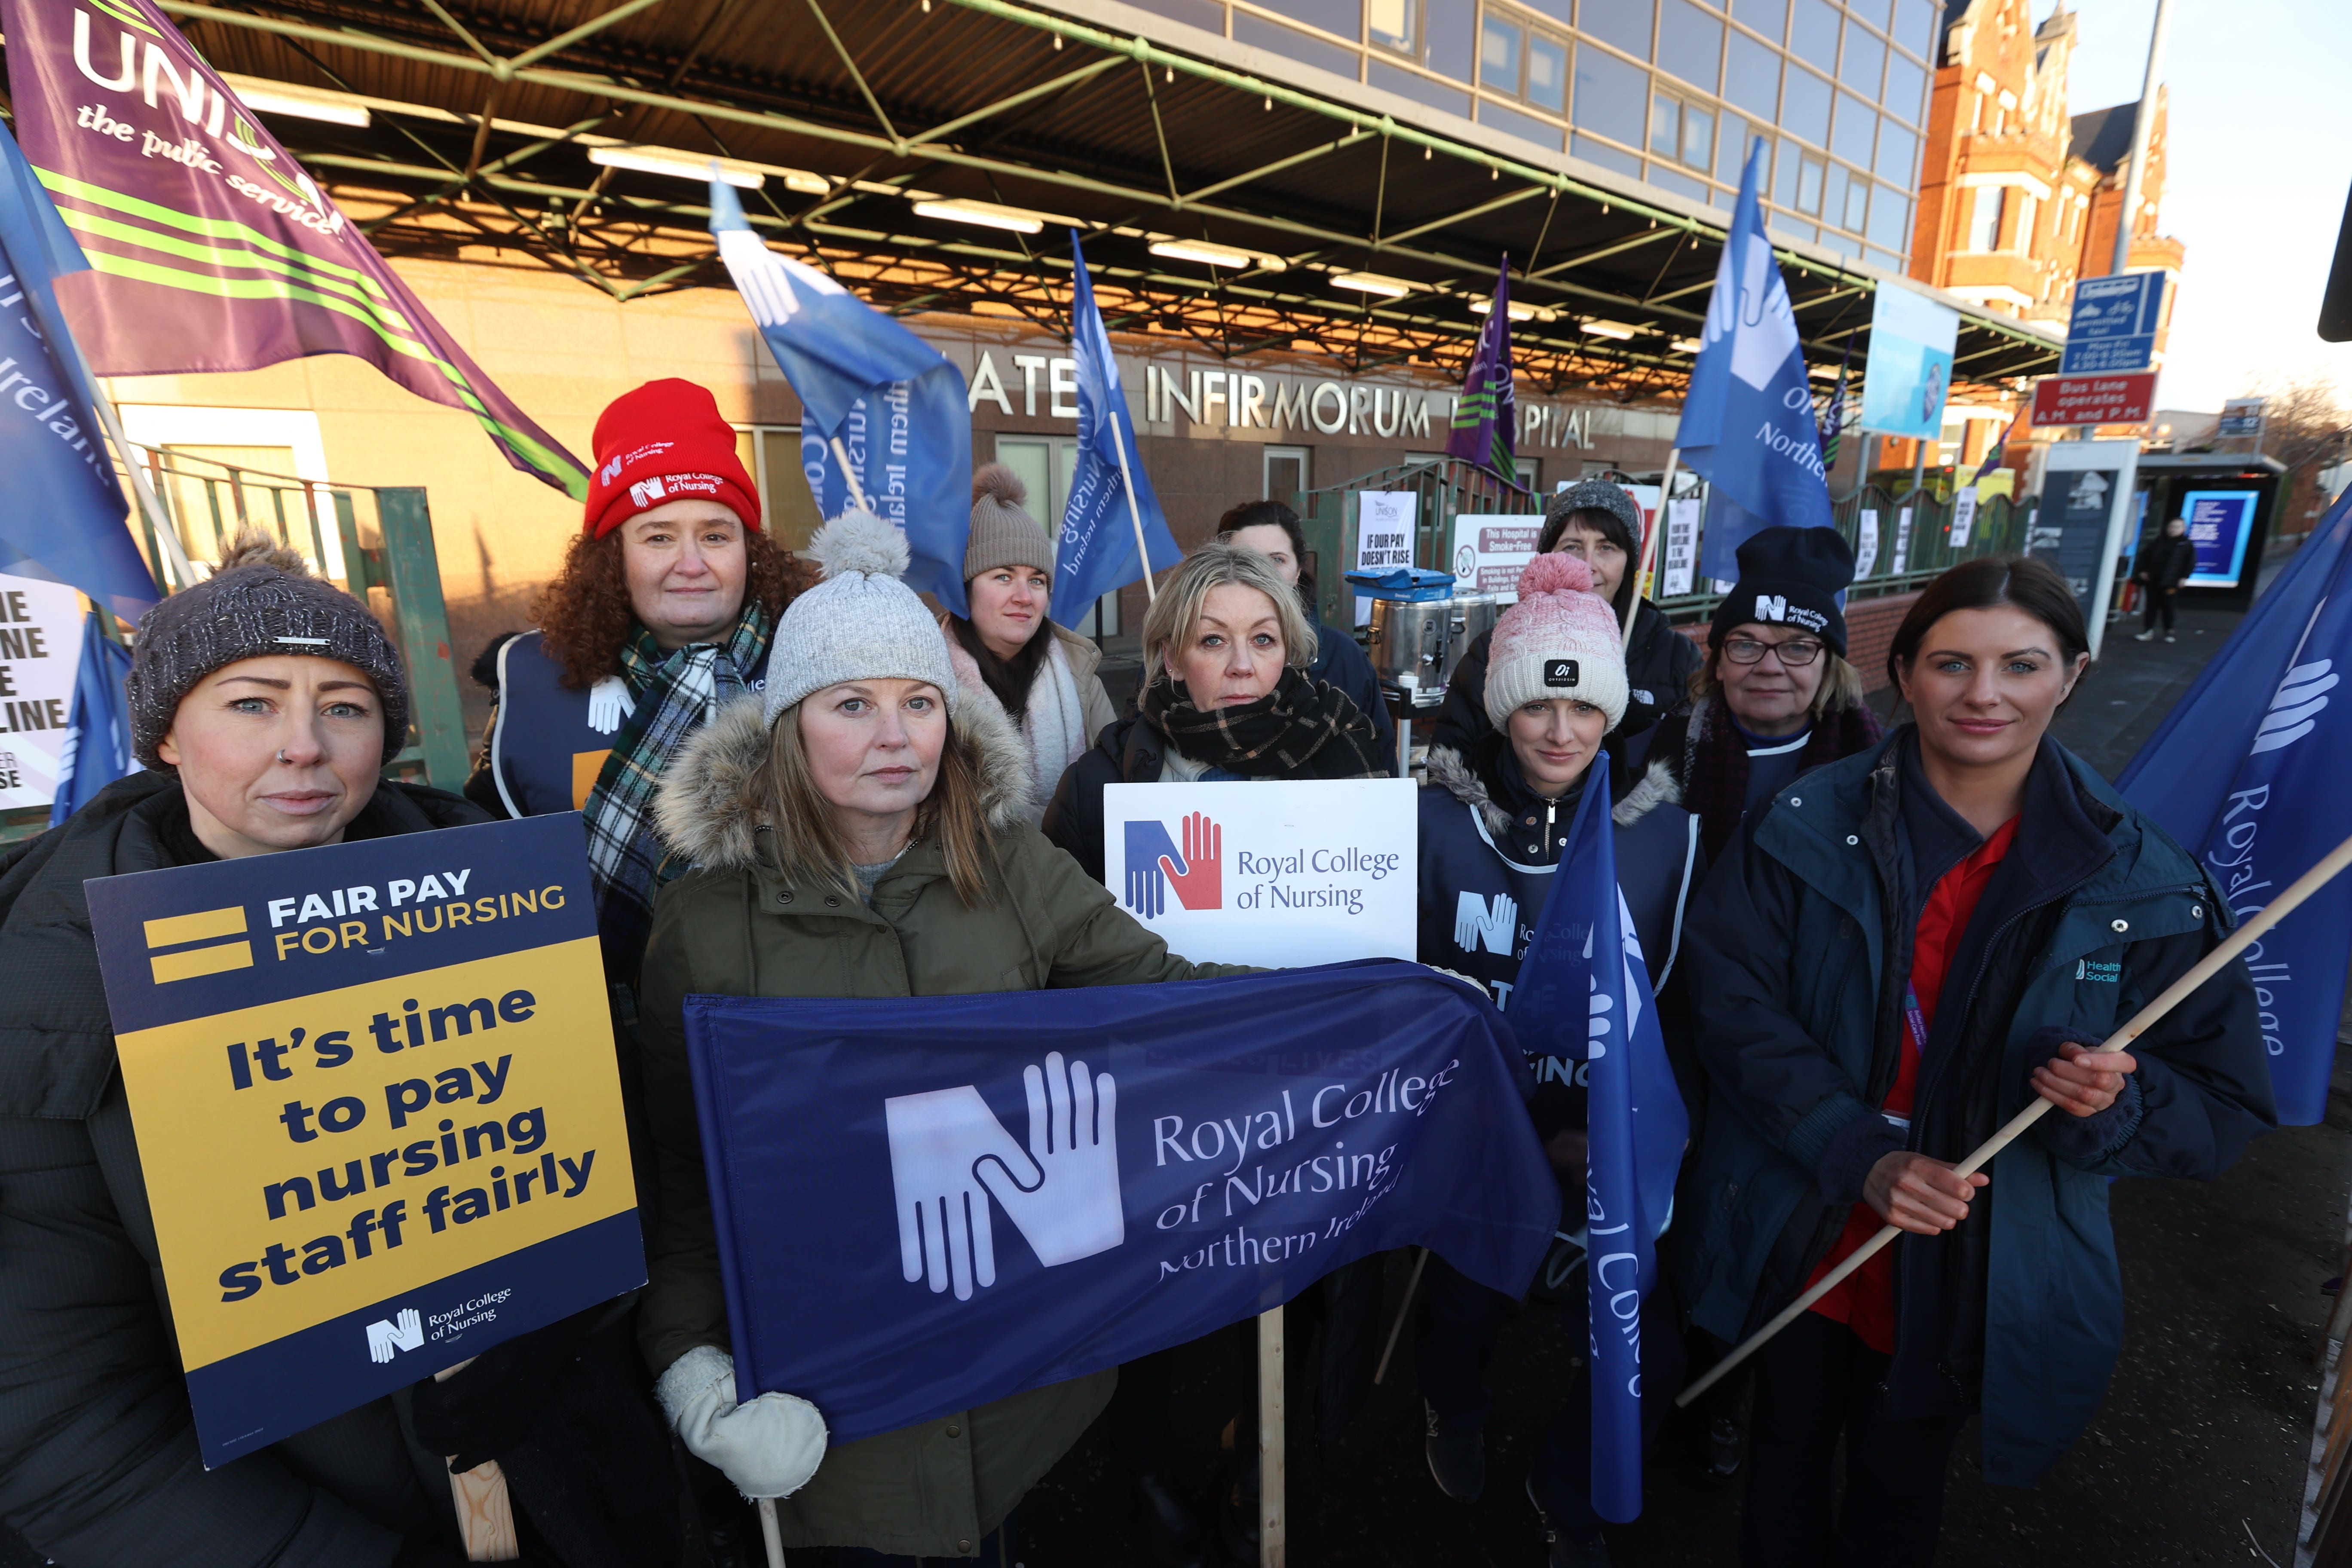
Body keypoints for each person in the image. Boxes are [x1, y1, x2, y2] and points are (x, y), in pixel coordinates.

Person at [0, 536, 674, 1567]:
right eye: (252, 702)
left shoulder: (492, 901)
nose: (305, 744)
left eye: (345, 707)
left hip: (569, 1499)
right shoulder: (56, 981)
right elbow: (60, 1418)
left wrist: (566, 1315)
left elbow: (604, 1158)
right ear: (168, 736)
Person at [635, 508, 1253, 1564]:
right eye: (851, 704)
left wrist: (1370, 1005)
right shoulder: (703, 923)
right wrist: (693, 1371)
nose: (894, 735)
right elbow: (686, 1181)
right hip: (839, 1403)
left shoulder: (1012, 868)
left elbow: (1164, 999)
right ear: (789, 724)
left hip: (1023, 1388)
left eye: (920, 701)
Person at [1676, 554, 2275, 1568]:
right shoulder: (1799, 826)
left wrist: (2111, 1105)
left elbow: (2217, 1104)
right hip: (1804, 1233)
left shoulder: (2148, 878)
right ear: (1900, 673)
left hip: (1971, 1265)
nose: (1983, 694)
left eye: (2020, 665)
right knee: (1777, 1476)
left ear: (2071, 674)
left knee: (1897, 1493)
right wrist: (1849, 1147)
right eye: (1950, 663)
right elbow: (1730, 1009)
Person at [1413, 550, 1703, 1568]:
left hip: (1604, 1140)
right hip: (1469, 1132)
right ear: (1501, 710)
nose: (1559, 730)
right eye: (1537, 705)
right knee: (1461, 1304)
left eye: (1584, 711)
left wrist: (1612, 1140)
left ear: (1613, 715)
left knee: (1646, 1341)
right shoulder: (1431, 825)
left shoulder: (1665, 839)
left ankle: (1569, 1483)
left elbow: (1677, 1019)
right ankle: (1449, 1402)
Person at [468, 377, 812, 978]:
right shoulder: (531, 682)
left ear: (750, 550)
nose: (692, 564)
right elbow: (492, 881)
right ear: (613, 558)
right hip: (608, 1028)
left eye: (715, 535)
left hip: (798, 1010)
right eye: (658, 537)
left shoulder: (820, 661)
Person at [1042, 540, 1392, 883]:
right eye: (1213, 640)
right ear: (1173, 658)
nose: (1242, 666)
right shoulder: (1094, 788)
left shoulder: (1346, 745)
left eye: (1263, 639)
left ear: (1287, 652)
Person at [1622, 525, 1884, 866]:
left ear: (1827, 665)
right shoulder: (1635, 765)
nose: (1769, 667)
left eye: (1797, 647)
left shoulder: (1883, 771)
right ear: (1718, 664)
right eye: (1746, 645)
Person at [1431, 478, 1703, 763]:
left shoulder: (1677, 657)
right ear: (1547, 556)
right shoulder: (1496, 649)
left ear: (1629, 561)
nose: (1587, 564)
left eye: (1606, 547)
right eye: (1572, 546)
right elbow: (1454, 764)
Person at [940, 464, 1118, 822]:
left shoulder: (1080, 673)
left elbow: (1116, 785)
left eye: (1037, 581)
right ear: (966, 589)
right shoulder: (926, 677)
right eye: (1004, 576)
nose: (1025, 597)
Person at [1217, 498, 1398, 757]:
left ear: (1298, 571)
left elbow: (1381, 757)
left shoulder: (1344, 657)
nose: (1262, 574)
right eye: (1246, 560)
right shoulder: (1182, 653)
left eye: (1277, 560)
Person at [2132, 515, 2197, 642]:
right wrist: (2142, 571)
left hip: (2172, 581)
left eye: (2177, 527)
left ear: (2184, 529)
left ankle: (2168, 631)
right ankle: (2148, 631)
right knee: (2151, 606)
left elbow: (2190, 563)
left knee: (2168, 606)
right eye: (2172, 527)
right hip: (2154, 579)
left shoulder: (2186, 544)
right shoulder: (2158, 542)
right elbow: (2144, 557)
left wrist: (2184, 577)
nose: (2173, 530)